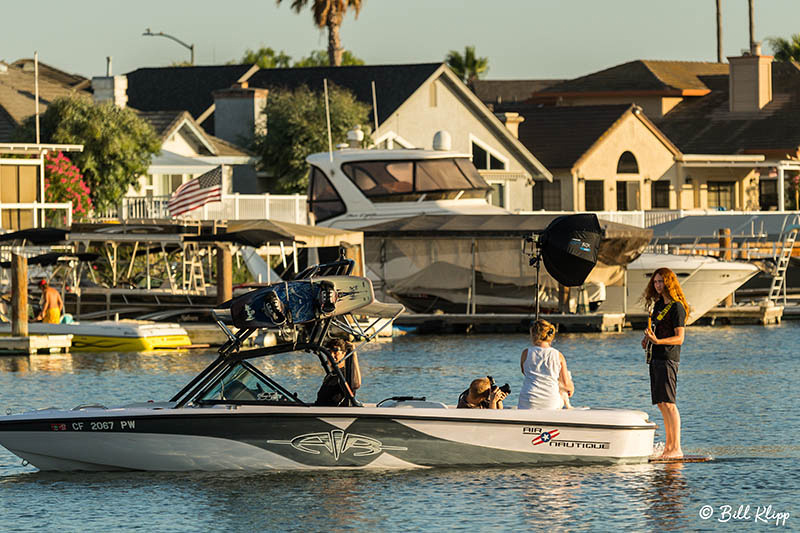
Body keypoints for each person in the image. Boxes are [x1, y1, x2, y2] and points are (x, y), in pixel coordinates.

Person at [641, 267, 689, 459]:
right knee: (661, 403)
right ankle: (668, 447)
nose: (658, 285)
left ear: (669, 283)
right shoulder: (657, 306)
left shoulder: (677, 307)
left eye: (661, 282)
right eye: (655, 282)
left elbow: (680, 338)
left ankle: (676, 447)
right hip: (655, 358)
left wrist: (659, 341)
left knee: (669, 403)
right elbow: (655, 332)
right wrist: (647, 340)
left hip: (669, 358)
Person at [518, 319, 574, 410]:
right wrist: (570, 389)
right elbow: (566, 384)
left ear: (533, 334)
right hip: (550, 403)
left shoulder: (526, 353)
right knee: (566, 377)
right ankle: (568, 405)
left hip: (527, 402)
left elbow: (524, 372)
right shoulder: (558, 355)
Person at [315, 339, 362, 406]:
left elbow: (356, 384)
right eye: (329, 352)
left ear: (344, 354)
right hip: (321, 409)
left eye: (335, 352)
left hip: (335, 413)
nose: (331, 355)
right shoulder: (331, 375)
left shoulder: (345, 374)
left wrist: (353, 353)